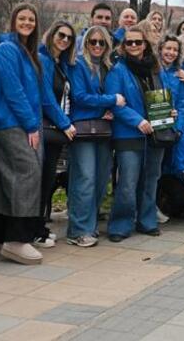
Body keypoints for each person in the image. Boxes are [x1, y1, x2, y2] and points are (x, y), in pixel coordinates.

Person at [0, 3, 51, 265]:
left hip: (22, 122)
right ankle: (16, 240)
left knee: (7, 178)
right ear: (12, 21)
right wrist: (30, 125)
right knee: (28, 174)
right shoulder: (7, 50)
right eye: (21, 18)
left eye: (31, 19)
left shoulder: (28, 52)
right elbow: (13, 91)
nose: (26, 23)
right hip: (11, 122)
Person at [104, 23, 166, 241]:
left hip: (155, 133)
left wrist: (170, 111)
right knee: (128, 183)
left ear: (145, 44)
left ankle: (147, 220)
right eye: (129, 42)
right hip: (128, 133)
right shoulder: (118, 70)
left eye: (137, 42)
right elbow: (116, 103)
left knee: (150, 180)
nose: (133, 45)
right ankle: (120, 224)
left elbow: (165, 96)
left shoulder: (155, 69)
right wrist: (137, 120)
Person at [66, 25, 124, 247]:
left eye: (102, 42)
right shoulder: (79, 64)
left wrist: (109, 106)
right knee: (85, 178)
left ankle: (89, 226)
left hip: (104, 129)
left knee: (100, 179)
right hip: (82, 128)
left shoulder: (110, 67)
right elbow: (80, 96)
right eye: (93, 42)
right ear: (86, 43)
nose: (97, 46)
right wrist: (108, 103)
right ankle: (77, 230)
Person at [37, 21, 78, 247]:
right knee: (42, 179)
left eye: (69, 38)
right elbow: (46, 98)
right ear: (51, 34)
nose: (64, 40)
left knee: (48, 179)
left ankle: (40, 225)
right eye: (61, 35)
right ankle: (36, 228)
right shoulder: (43, 60)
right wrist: (65, 124)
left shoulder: (59, 63)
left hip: (55, 131)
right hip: (47, 129)